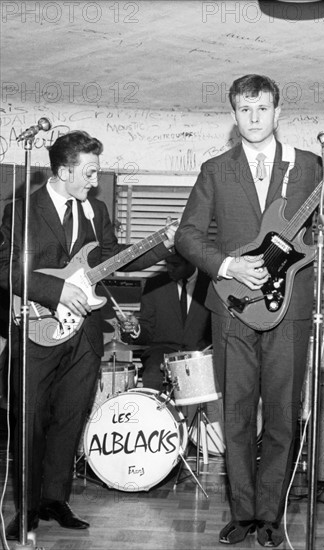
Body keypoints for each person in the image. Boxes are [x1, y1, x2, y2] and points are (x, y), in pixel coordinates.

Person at [175, 74, 324, 547]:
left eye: (262, 109)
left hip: (293, 312)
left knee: (282, 416)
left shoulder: (308, 167)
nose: (254, 118)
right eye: (244, 109)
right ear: (234, 114)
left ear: (278, 113)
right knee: (237, 415)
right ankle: (242, 514)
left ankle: (271, 517)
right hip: (234, 308)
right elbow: (187, 236)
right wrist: (229, 265)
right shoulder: (215, 169)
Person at [0, 130, 177, 540]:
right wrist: (56, 289)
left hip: (85, 333)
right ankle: (25, 508)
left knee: (70, 417)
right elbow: (4, 268)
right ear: (64, 171)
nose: (95, 181)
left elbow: (113, 260)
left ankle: (54, 499)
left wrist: (162, 245)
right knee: (29, 421)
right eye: (89, 172)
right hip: (36, 327)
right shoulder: (21, 211)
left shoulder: (95, 210)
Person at [119, 251, 211, 392]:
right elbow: (147, 330)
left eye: (175, 264)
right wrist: (135, 328)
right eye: (167, 263)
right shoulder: (154, 285)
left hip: (200, 354)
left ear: (192, 262)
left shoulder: (212, 285)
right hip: (162, 353)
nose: (169, 268)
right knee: (152, 375)